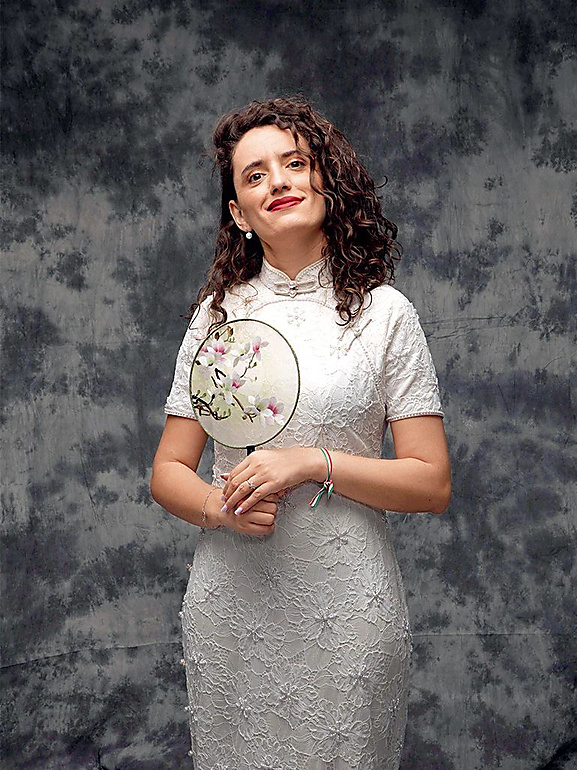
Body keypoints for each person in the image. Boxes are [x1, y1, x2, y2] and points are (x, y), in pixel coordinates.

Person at [150, 96, 451, 769]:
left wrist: (314, 462)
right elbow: (168, 471)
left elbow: (431, 483)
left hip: (348, 612)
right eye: (254, 175)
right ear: (239, 213)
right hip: (233, 607)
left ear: (326, 180)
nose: (278, 182)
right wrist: (218, 508)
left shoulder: (385, 315)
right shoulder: (217, 318)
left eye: (294, 163)